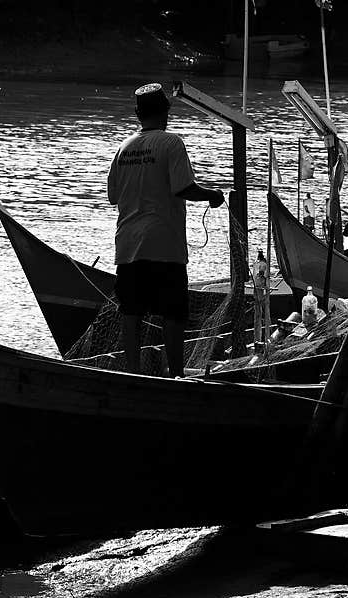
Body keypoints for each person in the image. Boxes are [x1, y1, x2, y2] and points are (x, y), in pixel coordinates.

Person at [107, 83, 225, 378]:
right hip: (164, 245)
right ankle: (176, 375)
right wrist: (212, 194)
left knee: (131, 314)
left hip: (129, 246)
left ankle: (132, 373)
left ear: (137, 114)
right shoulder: (172, 143)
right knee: (173, 314)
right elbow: (183, 187)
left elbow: (113, 196)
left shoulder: (123, 149)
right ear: (166, 112)